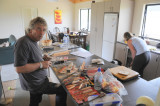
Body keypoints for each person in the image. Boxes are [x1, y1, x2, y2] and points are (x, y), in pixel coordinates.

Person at [14, 17, 67, 106]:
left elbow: (31, 57)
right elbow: (19, 68)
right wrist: (41, 65)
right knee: (62, 90)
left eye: (44, 30)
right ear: (31, 30)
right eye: (38, 29)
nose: (42, 33)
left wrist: (42, 58)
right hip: (36, 83)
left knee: (35, 100)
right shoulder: (23, 43)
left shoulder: (34, 40)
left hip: (38, 80)